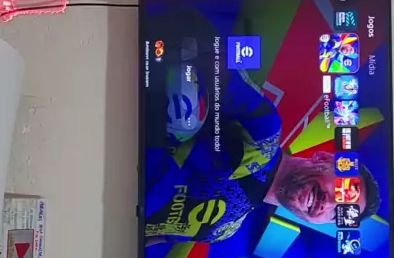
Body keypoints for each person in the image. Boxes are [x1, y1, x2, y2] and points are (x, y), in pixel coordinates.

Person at [145, 70, 380, 244]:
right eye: (344, 190)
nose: (328, 203)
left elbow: (149, 236)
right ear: (325, 159)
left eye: (339, 214)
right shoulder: (263, 128)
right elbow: (200, 56)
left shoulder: (223, 231)